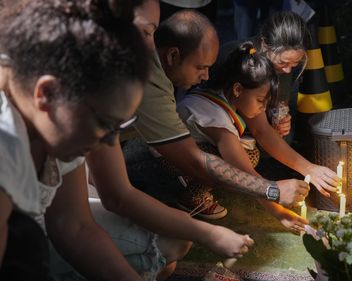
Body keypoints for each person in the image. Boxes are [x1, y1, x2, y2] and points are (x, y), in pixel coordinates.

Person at [49, 2, 255, 280]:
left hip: (63, 206)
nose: (150, 48)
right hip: (34, 233)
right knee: (169, 244)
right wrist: (267, 193)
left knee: (169, 249)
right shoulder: (84, 86)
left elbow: (110, 193)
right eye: (146, 33)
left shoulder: (109, 76)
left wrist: (201, 230)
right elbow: (78, 223)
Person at [0, 0, 151, 280]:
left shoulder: (52, 124)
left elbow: (74, 226)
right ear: (47, 93)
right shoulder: (4, 142)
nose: (108, 142)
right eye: (104, 124)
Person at [122, 9, 310, 220]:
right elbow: (194, 159)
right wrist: (271, 191)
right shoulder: (152, 88)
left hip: (126, 140)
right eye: (201, 67)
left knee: (246, 153)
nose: (206, 77)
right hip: (161, 152)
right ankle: (191, 194)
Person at [177, 42, 340, 232]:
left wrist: (309, 168)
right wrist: (279, 211)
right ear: (238, 90)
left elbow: (262, 133)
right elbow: (244, 172)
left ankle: (192, 181)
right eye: (261, 101)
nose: (263, 109)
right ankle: (192, 195)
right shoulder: (217, 119)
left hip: (191, 145)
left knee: (250, 153)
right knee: (239, 161)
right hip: (171, 157)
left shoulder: (225, 96)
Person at [217, 10, 309, 137]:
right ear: (265, 45)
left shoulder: (281, 65)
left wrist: (278, 118)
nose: (288, 70)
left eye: (295, 64)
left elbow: (280, 105)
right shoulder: (245, 64)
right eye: (283, 63)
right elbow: (260, 129)